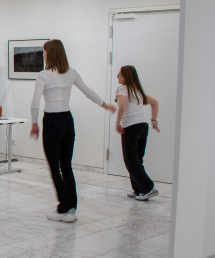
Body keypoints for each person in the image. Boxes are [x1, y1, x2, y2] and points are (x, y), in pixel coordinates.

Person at [30, 39, 116, 222]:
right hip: (67, 121)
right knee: (66, 166)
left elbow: (35, 103)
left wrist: (34, 123)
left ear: (49, 53)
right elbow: (88, 92)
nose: (43, 54)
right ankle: (71, 207)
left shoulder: (43, 75)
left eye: (44, 51)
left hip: (52, 122)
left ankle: (64, 208)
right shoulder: (71, 73)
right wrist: (104, 105)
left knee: (55, 167)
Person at [114, 65, 160, 201]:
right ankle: (138, 190)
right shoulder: (137, 91)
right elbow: (155, 103)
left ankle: (148, 188)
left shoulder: (122, 89)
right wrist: (153, 119)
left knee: (131, 161)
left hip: (131, 127)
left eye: (119, 74)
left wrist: (117, 123)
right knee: (137, 160)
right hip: (142, 127)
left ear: (126, 76)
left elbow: (122, 107)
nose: (117, 76)